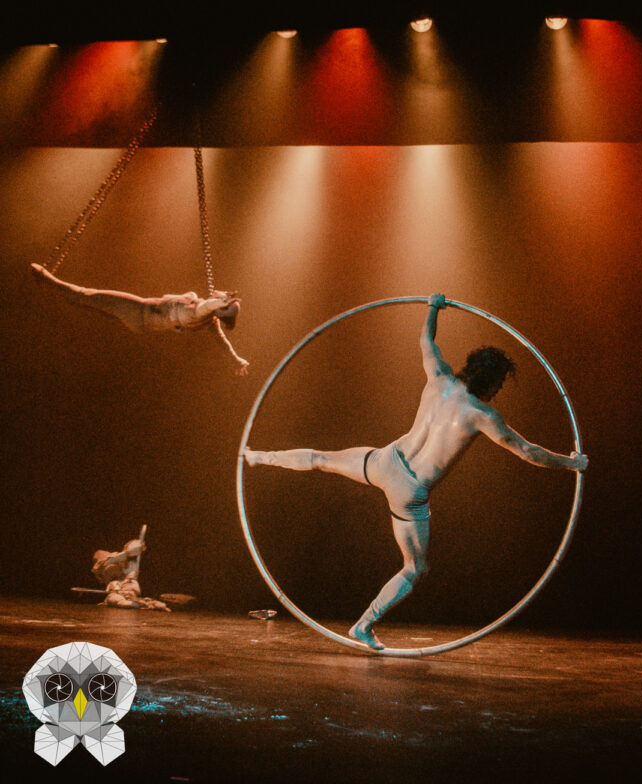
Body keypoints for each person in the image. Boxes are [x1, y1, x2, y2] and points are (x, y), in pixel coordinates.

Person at [245, 293, 588, 650]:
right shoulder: (482, 415)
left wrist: (433, 307)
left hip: (386, 461)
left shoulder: (439, 377)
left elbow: (426, 340)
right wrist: (571, 463)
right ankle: (364, 625)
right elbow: (528, 452)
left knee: (320, 458)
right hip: (409, 491)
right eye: (499, 385)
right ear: (492, 382)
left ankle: (258, 457)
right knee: (415, 568)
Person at [31, 263, 249, 373]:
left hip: (137, 311)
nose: (223, 292)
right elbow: (223, 344)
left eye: (223, 299)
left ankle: (46, 279)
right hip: (140, 323)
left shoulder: (200, 311)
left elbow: (208, 306)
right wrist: (236, 360)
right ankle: (58, 292)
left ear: (220, 307)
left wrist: (221, 301)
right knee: (94, 306)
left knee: (87, 294)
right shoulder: (210, 322)